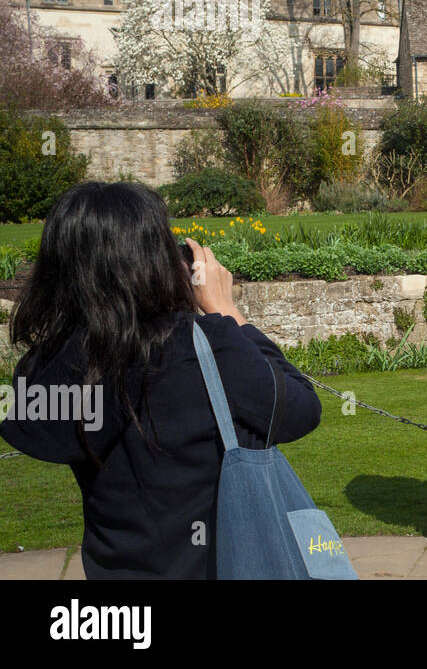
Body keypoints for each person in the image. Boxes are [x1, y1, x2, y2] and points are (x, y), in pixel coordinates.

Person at [0, 181, 321, 579]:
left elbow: (30, 430)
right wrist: (225, 310)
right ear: (157, 258)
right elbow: (300, 409)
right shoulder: (205, 344)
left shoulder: (56, 365)